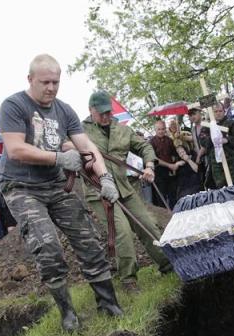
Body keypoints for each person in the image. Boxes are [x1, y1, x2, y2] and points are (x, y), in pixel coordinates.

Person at [0, 54, 122, 331]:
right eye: (45, 82)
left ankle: (108, 304)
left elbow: (87, 145)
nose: (51, 88)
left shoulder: (64, 110)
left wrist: (105, 178)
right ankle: (68, 314)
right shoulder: (14, 105)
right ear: (30, 79)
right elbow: (15, 149)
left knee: (88, 239)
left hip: (57, 186)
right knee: (48, 247)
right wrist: (58, 158)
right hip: (22, 187)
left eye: (56, 82)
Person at [82, 90, 172, 292]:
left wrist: (149, 166)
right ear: (91, 110)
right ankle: (128, 280)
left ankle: (168, 265)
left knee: (148, 225)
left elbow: (145, 147)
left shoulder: (122, 129)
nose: (107, 117)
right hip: (100, 191)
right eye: (102, 113)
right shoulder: (81, 131)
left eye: (109, 112)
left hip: (125, 188)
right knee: (122, 233)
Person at [199, 103, 234, 188]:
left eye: (220, 111)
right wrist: (213, 140)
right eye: (215, 111)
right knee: (221, 186)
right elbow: (202, 141)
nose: (218, 113)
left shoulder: (231, 123)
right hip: (216, 163)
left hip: (232, 161)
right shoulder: (206, 127)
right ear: (212, 113)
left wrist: (227, 140)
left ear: (224, 112)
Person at [150, 120, 183, 208]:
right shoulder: (151, 142)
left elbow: (174, 155)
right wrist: (169, 165)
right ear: (155, 130)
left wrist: (176, 163)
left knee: (173, 196)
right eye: (159, 129)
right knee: (162, 199)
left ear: (165, 129)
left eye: (163, 129)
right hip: (159, 173)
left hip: (171, 172)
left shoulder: (169, 140)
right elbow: (154, 158)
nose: (161, 131)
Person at [168, 119, 202, 198]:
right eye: (171, 126)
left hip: (189, 155)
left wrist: (182, 137)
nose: (173, 127)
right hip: (178, 159)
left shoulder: (184, 133)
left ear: (178, 126)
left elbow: (193, 139)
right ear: (169, 128)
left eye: (174, 125)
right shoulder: (169, 138)